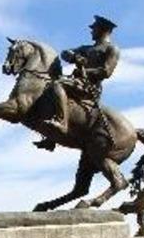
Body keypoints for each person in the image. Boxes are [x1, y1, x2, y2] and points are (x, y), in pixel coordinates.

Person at [35, 14, 120, 150]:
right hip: (77, 83)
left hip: (90, 87)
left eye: (94, 28)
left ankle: (62, 123)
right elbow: (64, 53)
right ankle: (51, 137)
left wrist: (85, 71)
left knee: (57, 84)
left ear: (102, 30)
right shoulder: (86, 49)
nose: (92, 31)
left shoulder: (111, 49)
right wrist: (73, 56)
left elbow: (106, 72)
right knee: (48, 89)